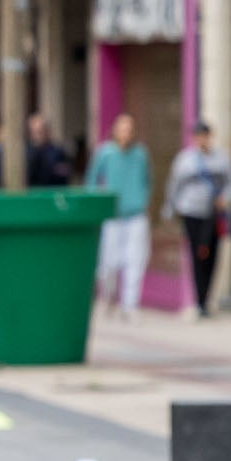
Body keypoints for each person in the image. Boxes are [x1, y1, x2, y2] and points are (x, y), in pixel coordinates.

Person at [163, 121, 231, 318]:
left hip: (213, 214)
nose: (202, 139)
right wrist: (169, 210)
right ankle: (199, 301)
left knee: (212, 255)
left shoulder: (221, 158)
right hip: (191, 212)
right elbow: (174, 186)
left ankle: (206, 298)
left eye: (205, 135)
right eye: (198, 136)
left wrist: (225, 199)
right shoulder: (185, 160)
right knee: (197, 255)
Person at [87, 113, 152, 320]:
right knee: (108, 263)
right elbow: (92, 181)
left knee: (135, 261)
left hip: (135, 215)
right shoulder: (105, 153)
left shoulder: (141, 155)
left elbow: (147, 181)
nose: (126, 134)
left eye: (129, 129)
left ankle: (130, 305)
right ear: (115, 131)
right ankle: (108, 297)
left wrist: (143, 201)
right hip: (111, 215)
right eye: (122, 129)